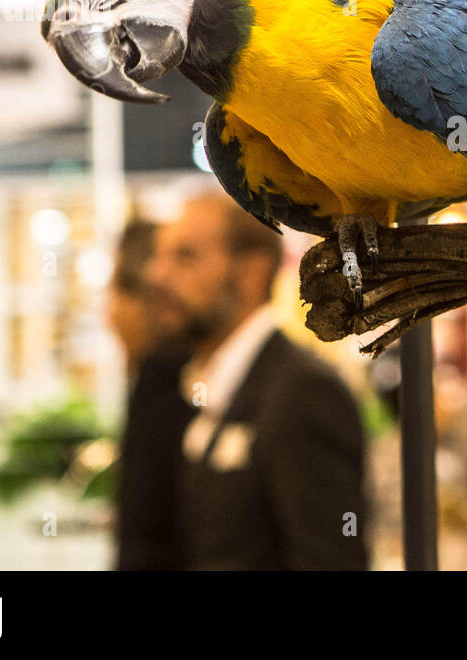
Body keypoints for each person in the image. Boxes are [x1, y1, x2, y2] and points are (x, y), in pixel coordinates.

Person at [143, 192, 368, 570]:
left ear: (251, 272)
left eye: (185, 256)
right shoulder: (222, 383)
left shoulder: (304, 392)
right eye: (160, 255)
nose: (156, 275)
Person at [110, 217, 195, 571]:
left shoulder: (164, 376)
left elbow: (148, 529)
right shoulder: (179, 372)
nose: (109, 314)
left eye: (114, 289)